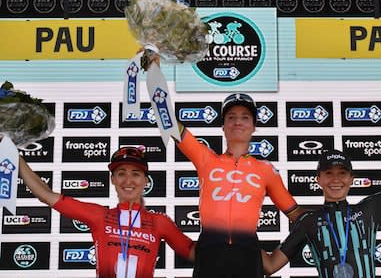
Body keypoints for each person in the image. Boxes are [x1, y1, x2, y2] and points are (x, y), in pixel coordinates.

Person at [262, 126, 381, 278]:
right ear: (318, 179)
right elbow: (270, 266)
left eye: (342, 173)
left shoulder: (369, 209)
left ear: (352, 178)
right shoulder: (309, 221)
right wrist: (238, 234)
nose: (336, 180)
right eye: (329, 173)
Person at [174, 93, 303, 278]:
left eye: (245, 117)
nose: (238, 122)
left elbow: (298, 216)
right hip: (210, 255)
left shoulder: (266, 170)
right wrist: (155, 80)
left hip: (248, 257)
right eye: (231, 117)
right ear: (223, 126)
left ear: (253, 127)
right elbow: (169, 125)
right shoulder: (206, 159)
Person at [18, 145, 195, 278]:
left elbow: (195, 254)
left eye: (135, 173)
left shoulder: (159, 222)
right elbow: (45, 195)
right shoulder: (100, 216)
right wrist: (16, 159)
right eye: (121, 173)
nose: (128, 180)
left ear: (145, 181)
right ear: (112, 180)